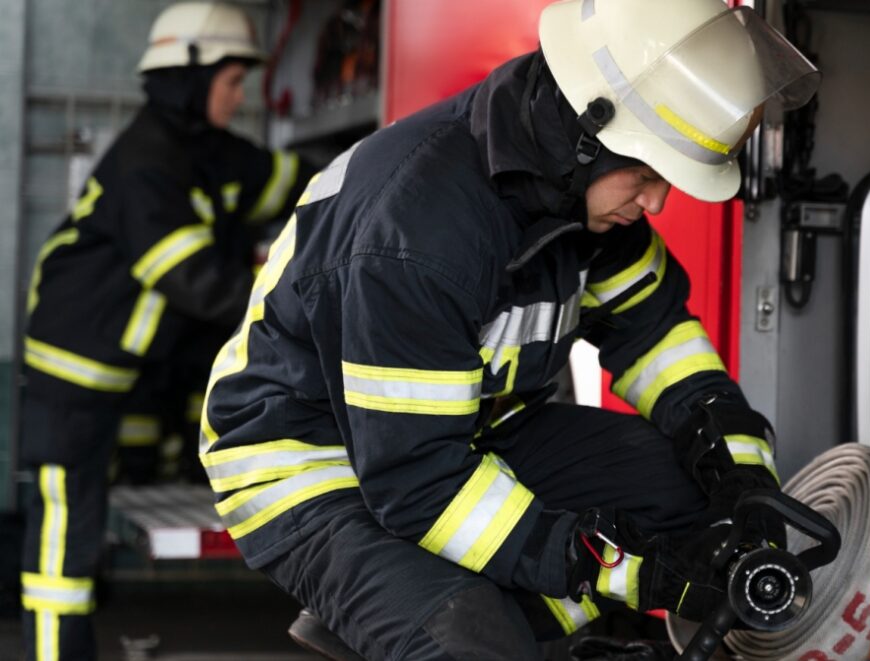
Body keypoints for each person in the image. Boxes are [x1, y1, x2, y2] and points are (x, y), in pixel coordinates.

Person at [201, 0, 821, 658]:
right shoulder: (420, 236)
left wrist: (740, 474)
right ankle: (426, 613)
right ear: (587, 135)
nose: (657, 202)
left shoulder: (574, 196)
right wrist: (621, 570)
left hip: (459, 433)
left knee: (678, 490)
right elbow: (420, 481)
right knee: (468, 638)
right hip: (314, 462)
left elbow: (656, 336)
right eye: (644, 175)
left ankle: (436, 612)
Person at [18, 3, 315, 659]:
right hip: (74, 368)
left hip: (115, 365)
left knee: (84, 515)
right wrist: (302, 311)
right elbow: (198, 284)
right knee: (65, 524)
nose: (240, 97)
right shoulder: (149, 163)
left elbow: (287, 182)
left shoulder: (199, 150)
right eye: (232, 81)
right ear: (190, 76)